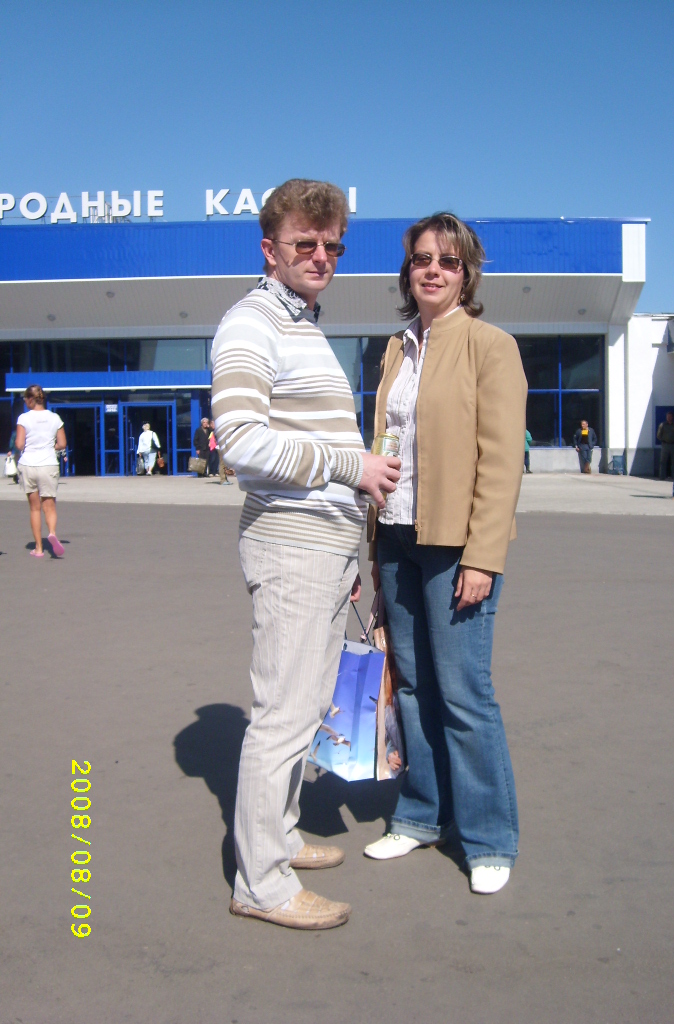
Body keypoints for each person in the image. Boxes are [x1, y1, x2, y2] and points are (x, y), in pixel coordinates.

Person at [210, 179, 400, 930]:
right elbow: (242, 444)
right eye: (304, 244)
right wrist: (352, 465)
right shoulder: (251, 323)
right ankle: (261, 884)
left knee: (308, 706)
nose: (321, 256)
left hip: (320, 546)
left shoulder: (302, 325)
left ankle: (281, 839)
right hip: (290, 545)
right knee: (283, 716)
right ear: (270, 249)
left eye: (333, 246)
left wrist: (347, 547)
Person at [363, 213, 527, 896]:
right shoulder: (396, 349)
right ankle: (421, 815)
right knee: (412, 687)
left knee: (464, 693)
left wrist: (483, 556)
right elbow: (386, 446)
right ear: (407, 272)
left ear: (467, 274)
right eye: (422, 259)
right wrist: (373, 547)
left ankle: (489, 837)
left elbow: (501, 463)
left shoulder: (490, 346)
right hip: (397, 537)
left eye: (448, 261)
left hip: (456, 544)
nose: (432, 270)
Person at [15, 384, 67, 557]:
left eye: (25, 399)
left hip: (29, 464)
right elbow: (62, 444)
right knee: (49, 505)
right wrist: (50, 446)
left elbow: (19, 444)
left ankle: (38, 548)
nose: (25, 402)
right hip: (48, 464)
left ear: (31, 399)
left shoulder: (24, 418)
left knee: (34, 508)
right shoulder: (55, 418)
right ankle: (52, 532)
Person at [657, 412, 674, 479]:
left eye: (670, 416)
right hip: (665, 445)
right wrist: (663, 439)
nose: (668, 418)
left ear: (672, 417)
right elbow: (659, 435)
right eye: (667, 416)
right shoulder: (662, 425)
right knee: (663, 461)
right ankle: (662, 476)